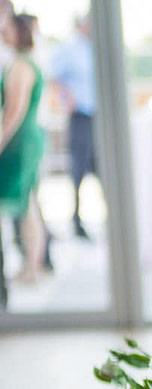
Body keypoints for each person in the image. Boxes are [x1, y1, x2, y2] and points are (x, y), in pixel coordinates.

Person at [0, 9, 46, 287]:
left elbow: (13, 112)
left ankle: (32, 267)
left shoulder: (21, 66)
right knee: (27, 203)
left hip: (20, 141)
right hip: (24, 138)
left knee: (24, 203)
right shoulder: (21, 62)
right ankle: (31, 266)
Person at [44, 12, 89, 239]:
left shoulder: (95, 48)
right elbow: (53, 76)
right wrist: (67, 97)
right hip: (79, 115)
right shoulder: (69, 48)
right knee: (78, 169)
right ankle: (77, 222)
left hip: (98, 116)